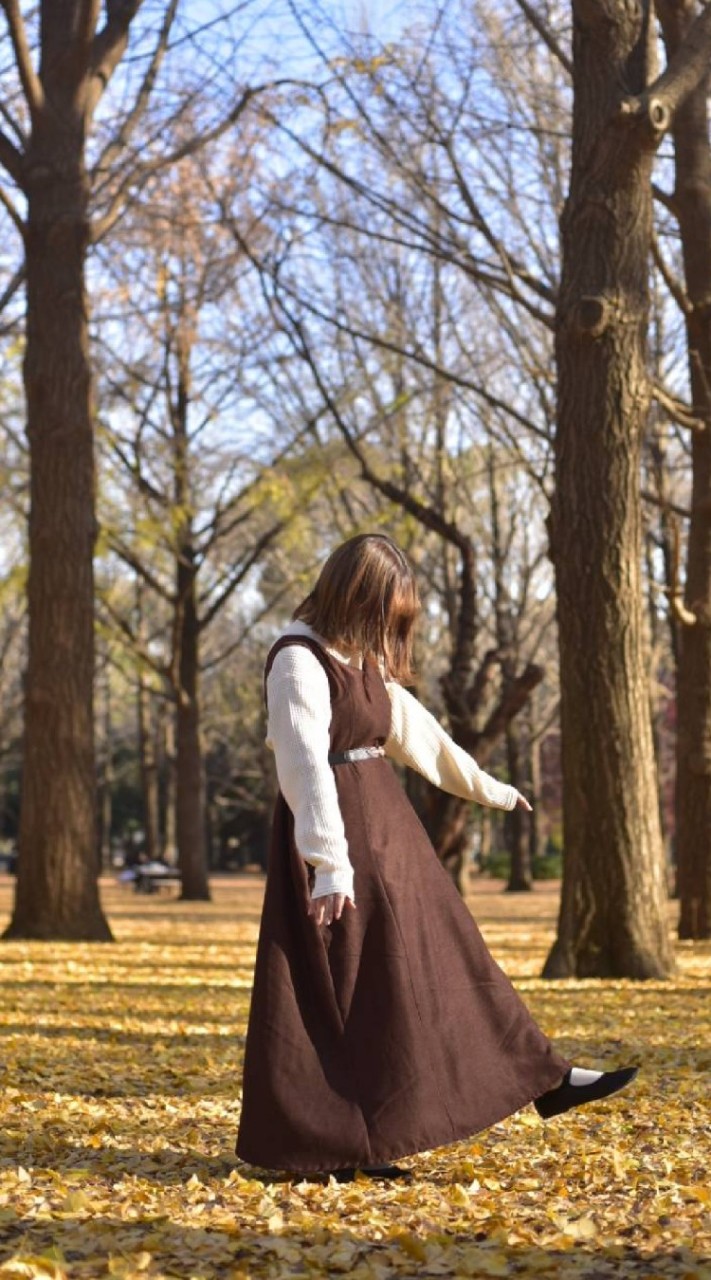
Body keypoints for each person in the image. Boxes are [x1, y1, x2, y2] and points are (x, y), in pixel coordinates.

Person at [236, 533, 637, 1181]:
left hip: (390, 838)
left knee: (441, 964)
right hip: (338, 839)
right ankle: (335, 1144)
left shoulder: (357, 659)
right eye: (384, 613)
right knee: (342, 988)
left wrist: (491, 791)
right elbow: (302, 763)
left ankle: (542, 1075)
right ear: (355, 597)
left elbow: (422, 736)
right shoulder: (297, 662)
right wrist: (329, 864)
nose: (390, 630)